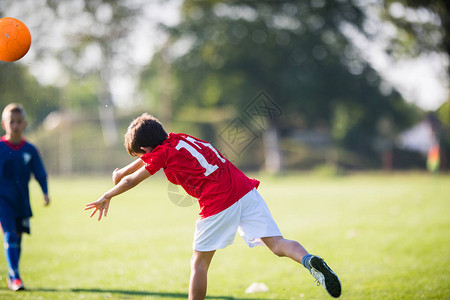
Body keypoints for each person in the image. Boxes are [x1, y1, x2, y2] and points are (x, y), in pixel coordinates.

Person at [85, 113, 342, 299]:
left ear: (146, 148)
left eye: (142, 155)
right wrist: (121, 172)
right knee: (277, 244)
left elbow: (134, 178)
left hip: (219, 202)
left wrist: (108, 194)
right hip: (245, 190)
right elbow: (146, 159)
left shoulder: (161, 153)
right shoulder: (179, 138)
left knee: (199, 264)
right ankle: (309, 260)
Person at [0, 103, 50, 291]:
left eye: (19, 122)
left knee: (18, 237)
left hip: (21, 201)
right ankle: (15, 277)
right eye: (11, 122)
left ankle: (12, 273)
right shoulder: (0, 148)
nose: (15, 125)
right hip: (2, 201)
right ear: (4, 124)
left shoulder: (29, 149)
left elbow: (40, 173)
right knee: (10, 235)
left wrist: (45, 192)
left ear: (25, 124)